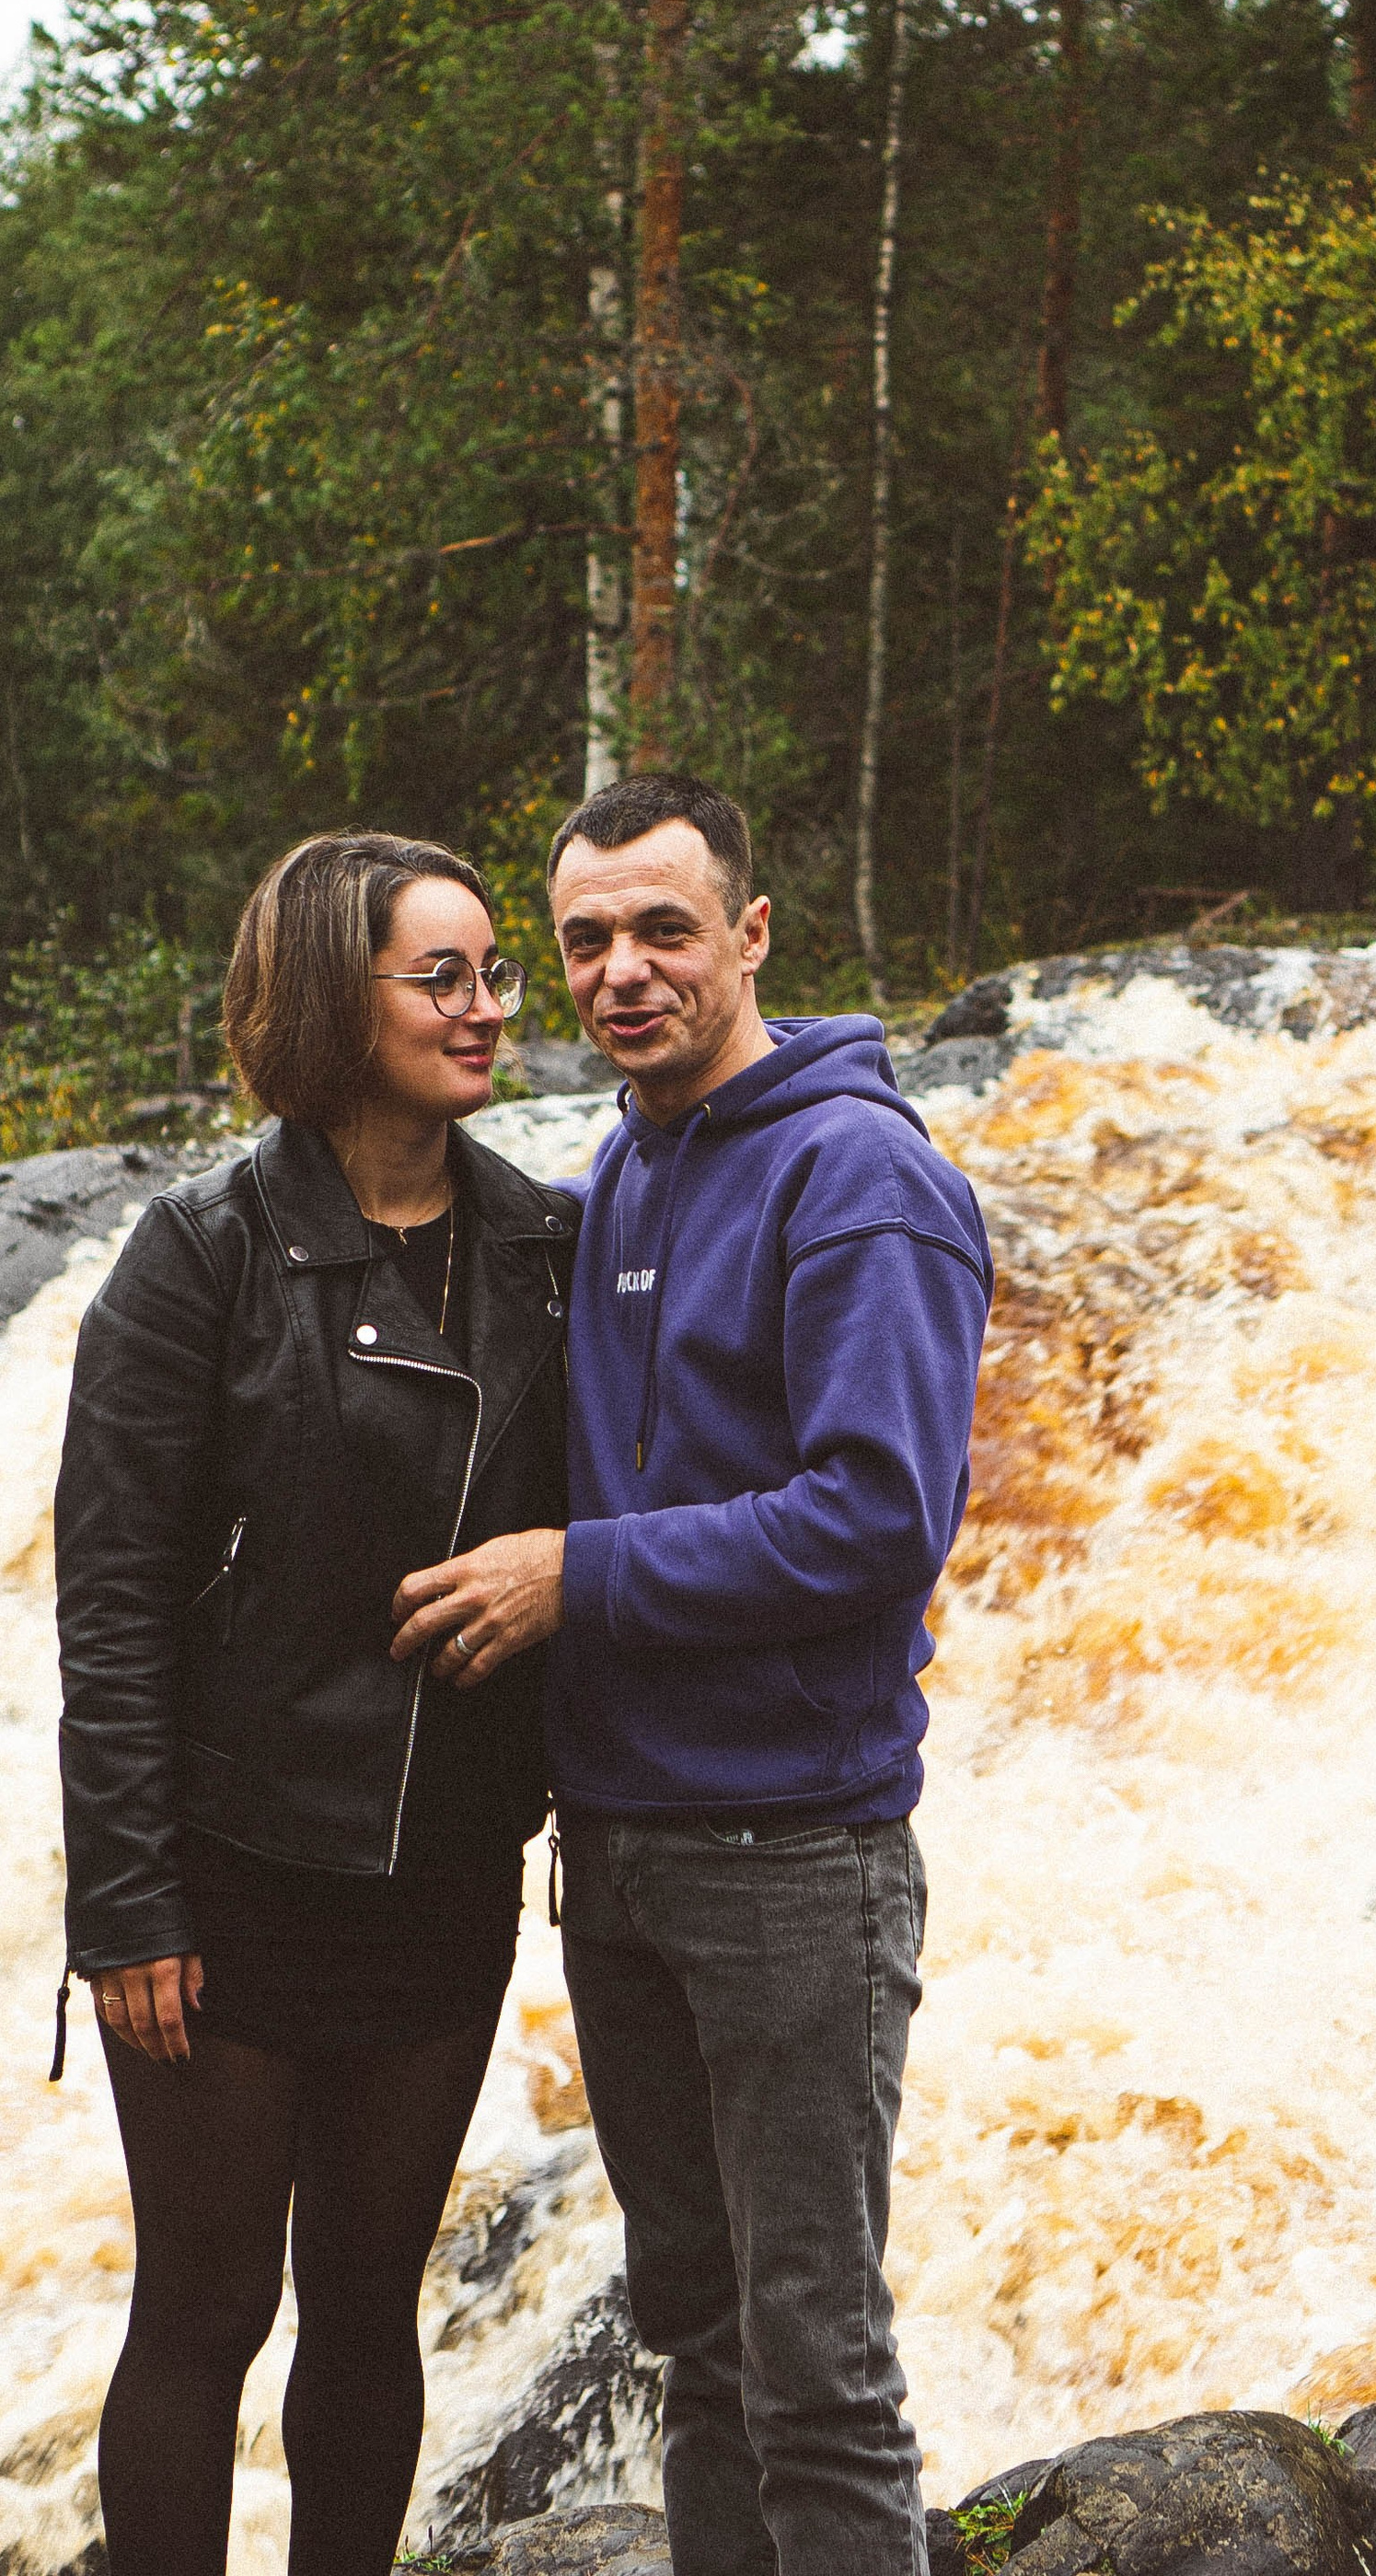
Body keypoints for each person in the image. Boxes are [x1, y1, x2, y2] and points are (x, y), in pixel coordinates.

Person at [435, 771, 992, 2576]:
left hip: (792, 1857)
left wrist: (572, 1576)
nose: (620, 972)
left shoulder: (859, 1177)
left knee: (811, 2367)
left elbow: (872, 1520)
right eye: (583, 940)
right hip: (624, 1852)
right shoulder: (621, 1170)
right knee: (698, 2343)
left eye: (663, 930)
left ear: (749, 935)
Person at [54, 830, 575, 2576]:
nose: (488, 1007)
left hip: (439, 1882)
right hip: (229, 1879)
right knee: (206, 2317)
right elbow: (114, 1605)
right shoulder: (198, 1255)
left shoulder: (544, 1245)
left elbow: (625, 1508)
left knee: (367, 2315)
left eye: (496, 971)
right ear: (331, 1001)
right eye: (445, 976)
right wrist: (124, 1902)